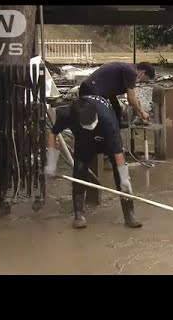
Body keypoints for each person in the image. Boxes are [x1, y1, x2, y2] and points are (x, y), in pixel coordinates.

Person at [44, 95, 142, 229]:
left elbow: (118, 152)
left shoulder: (107, 119)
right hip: (83, 140)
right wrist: (51, 161)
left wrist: (125, 178)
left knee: (120, 176)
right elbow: (53, 133)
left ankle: (129, 214)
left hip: (106, 138)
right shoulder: (67, 114)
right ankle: (79, 215)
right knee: (79, 170)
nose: (91, 125)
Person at [79, 61, 156, 128]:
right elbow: (131, 98)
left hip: (94, 89)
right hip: (90, 90)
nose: (144, 82)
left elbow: (132, 98)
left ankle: (117, 124)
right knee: (98, 121)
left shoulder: (129, 69)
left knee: (117, 109)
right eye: (146, 79)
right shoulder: (131, 72)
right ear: (143, 73)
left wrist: (140, 115)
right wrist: (142, 112)